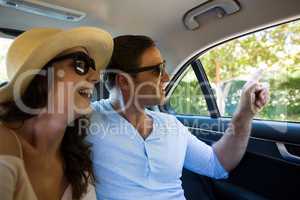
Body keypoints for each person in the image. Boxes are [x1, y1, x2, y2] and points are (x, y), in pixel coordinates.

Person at [87, 35, 269, 200]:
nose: (166, 77)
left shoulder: (170, 124)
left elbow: (217, 164)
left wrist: (244, 113)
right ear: (124, 81)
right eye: (157, 70)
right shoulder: (85, 120)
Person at [0, 27, 113, 200]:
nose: (96, 76)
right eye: (80, 64)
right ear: (42, 75)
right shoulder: (4, 145)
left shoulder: (78, 161)